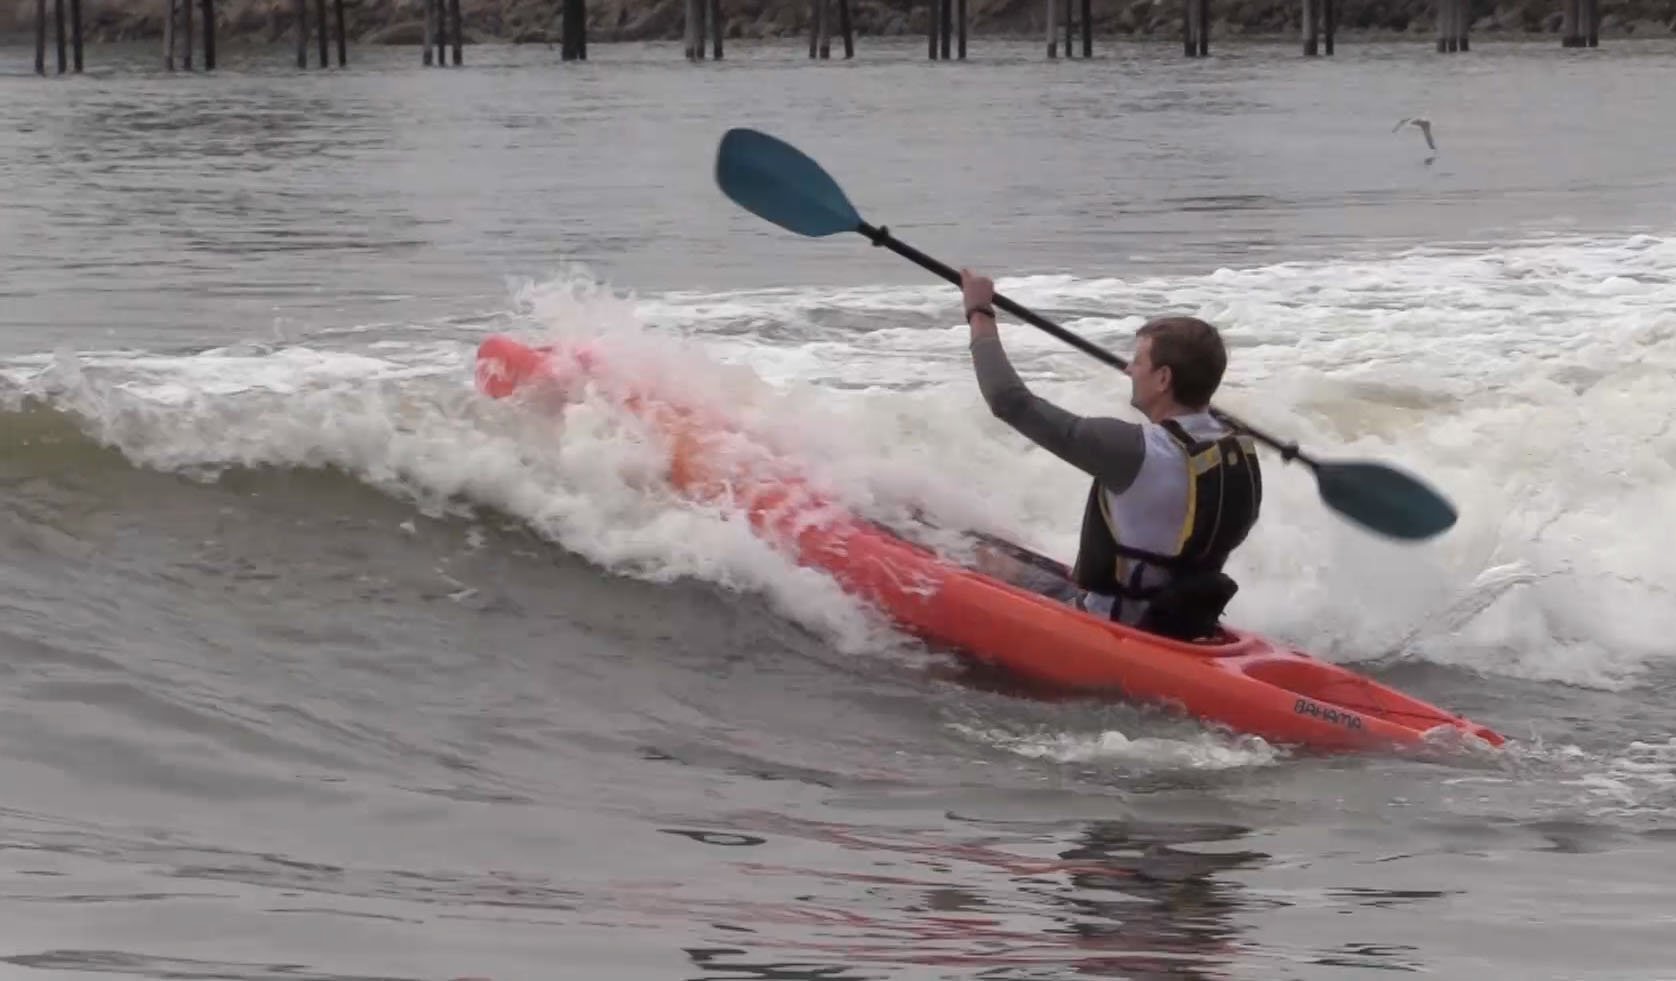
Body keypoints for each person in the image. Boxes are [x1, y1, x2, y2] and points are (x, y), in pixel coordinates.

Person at [960, 269, 1263, 641]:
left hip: (1113, 627)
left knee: (973, 556)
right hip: (1181, 621)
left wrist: (979, 310)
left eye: (1138, 361)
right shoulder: (1237, 448)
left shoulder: (1131, 450)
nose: (1128, 369)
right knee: (995, 549)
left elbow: (1009, 402)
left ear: (1164, 379)